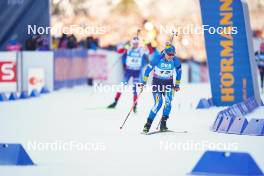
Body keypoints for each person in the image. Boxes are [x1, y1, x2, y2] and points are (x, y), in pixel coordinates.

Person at [140, 44, 182, 133]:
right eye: (169, 54)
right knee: (158, 103)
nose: (171, 56)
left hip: (168, 84)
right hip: (157, 84)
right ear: (165, 52)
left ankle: (163, 124)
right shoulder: (157, 58)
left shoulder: (175, 61)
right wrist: (143, 82)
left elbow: (179, 73)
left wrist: (177, 85)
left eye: (173, 54)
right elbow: (147, 70)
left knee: (168, 102)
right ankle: (147, 125)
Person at [107, 36, 149, 113]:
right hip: (128, 71)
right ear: (132, 43)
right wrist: (125, 47)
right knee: (122, 86)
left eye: (136, 43)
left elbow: (148, 51)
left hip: (137, 71)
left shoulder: (141, 50)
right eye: (134, 43)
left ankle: (135, 105)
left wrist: (145, 42)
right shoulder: (128, 49)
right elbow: (119, 51)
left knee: (135, 89)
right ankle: (115, 102)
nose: (135, 45)